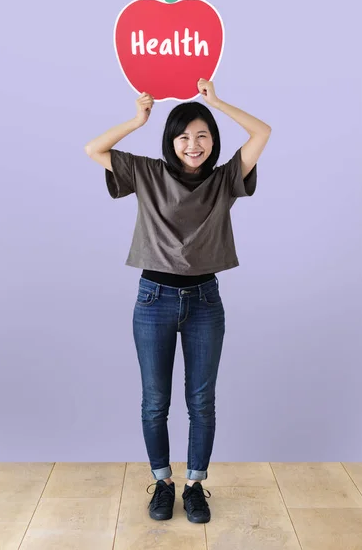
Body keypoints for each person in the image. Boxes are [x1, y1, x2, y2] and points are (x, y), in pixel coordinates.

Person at [85, 78, 272, 524]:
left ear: (213, 141)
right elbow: (94, 149)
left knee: (201, 401)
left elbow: (262, 133)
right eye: (184, 136)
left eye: (203, 135)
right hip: (154, 299)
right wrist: (137, 119)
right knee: (155, 401)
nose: (194, 144)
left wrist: (217, 102)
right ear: (171, 140)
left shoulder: (226, 178)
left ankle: (195, 486)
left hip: (206, 299)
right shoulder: (147, 172)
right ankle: (163, 483)